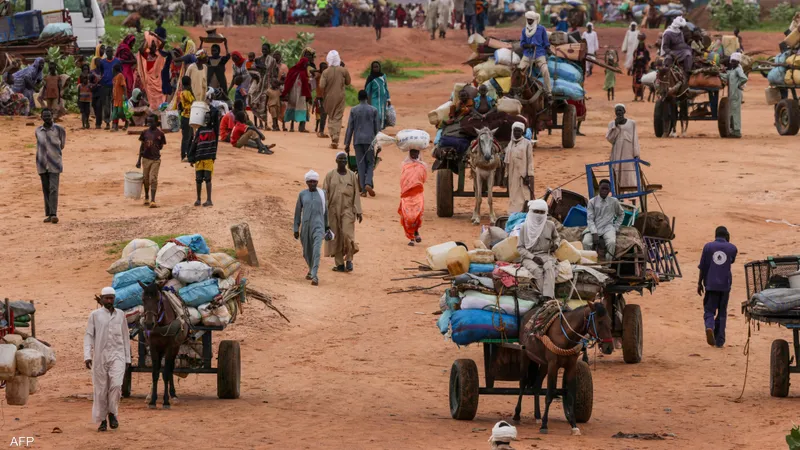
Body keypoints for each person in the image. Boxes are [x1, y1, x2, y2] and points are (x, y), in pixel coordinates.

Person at [84, 287, 131, 432]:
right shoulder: (95, 315)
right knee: (101, 389)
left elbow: (125, 337)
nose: (109, 301)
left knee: (116, 386)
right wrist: (87, 356)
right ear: (102, 299)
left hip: (118, 356)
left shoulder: (121, 315)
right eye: (107, 298)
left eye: (112, 298)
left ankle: (113, 413)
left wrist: (128, 358)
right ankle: (102, 420)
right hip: (100, 357)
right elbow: (89, 336)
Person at [698, 226, 737, 348]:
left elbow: (703, 267)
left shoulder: (708, 247)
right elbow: (731, 261)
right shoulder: (732, 248)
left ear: (715, 235)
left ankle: (709, 326)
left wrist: (699, 283)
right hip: (725, 285)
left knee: (709, 310)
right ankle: (720, 340)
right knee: (722, 313)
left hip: (710, 284)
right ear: (727, 236)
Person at [323, 152, 363, 272]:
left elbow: (356, 194)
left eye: (345, 160)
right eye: (340, 160)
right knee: (336, 237)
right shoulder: (330, 175)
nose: (343, 162)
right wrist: (323, 211)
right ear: (336, 161)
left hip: (348, 210)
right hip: (333, 210)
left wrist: (359, 211)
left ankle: (349, 258)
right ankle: (339, 264)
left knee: (347, 235)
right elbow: (325, 194)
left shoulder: (351, 176)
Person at [517, 199, 560, 300]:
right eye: (536, 212)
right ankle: (542, 297)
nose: (539, 215)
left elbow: (556, 237)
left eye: (542, 212)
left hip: (546, 255)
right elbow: (520, 248)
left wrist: (556, 245)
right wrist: (533, 257)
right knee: (537, 271)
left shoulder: (550, 225)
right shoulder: (525, 227)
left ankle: (548, 297)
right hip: (529, 257)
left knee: (549, 267)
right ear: (531, 212)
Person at [294, 170, 330, 286]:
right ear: (307, 182)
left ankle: (315, 275)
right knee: (306, 252)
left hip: (319, 226)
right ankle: (310, 270)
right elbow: (298, 212)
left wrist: (327, 226)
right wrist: (296, 228)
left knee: (316, 251)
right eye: (310, 182)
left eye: (314, 181)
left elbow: (326, 211)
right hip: (305, 227)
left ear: (317, 181)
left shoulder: (322, 193)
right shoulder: (302, 194)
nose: (313, 183)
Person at [345, 90, 380, 196]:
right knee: (370, 163)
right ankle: (368, 183)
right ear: (367, 98)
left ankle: (363, 191)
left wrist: (347, 143)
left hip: (358, 140)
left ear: (358, 98)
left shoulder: (354, 110)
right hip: (370, 140)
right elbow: (377, 129)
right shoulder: (373, 110)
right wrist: (378, 144)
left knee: (361, 165)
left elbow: (350, 128)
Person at [581, 179, 624, 261]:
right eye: (602, 188)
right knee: (586, 242)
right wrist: (594, 233)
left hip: (608, 228)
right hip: (594, 226)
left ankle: (607, 265)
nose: (604, 191)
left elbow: (621, 214)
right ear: (599, 188)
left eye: (606, 189)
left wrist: (616, 227)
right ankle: (590, 264)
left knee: (611, 243)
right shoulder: (592, 202)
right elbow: (590, 219)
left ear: (609, 190)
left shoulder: (614, 201)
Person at [35, 108, 65, 224]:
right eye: (45, 116)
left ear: (52, 115)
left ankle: (53, 214)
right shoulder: (38, 130)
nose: (47, 118)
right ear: (41, 117)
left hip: (55, 163)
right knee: (46, 189)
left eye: (49, 116)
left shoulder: (59, 129)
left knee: (53, 188)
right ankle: (48, 214)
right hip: (42, 163)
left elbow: (62, 144)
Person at [188, 106, 220, 207]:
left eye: (208, 117)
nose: (207, 119)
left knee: (208, 178)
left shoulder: (214, 129)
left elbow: (216, 113)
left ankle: (209, 200)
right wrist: (191, 157)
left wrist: (208, 106)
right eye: (205, 118)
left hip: (209, 157)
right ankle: (198, 199)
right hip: (199, 157)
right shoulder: (200, 129)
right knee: (198, 179)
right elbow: (194, 143)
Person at [606, 104, 640, 193]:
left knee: (629, 173)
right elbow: (610, 139)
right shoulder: (612, 124)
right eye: (617, 111)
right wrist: (615, 126)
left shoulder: (632, 123)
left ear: (624, 111)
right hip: (617, 152)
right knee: (617, 172)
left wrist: (636, 154)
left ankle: (632, 196)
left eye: (620, 110)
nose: (619, 112)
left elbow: (635, 139)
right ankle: (618, 195)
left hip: (628, 152)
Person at [518, 12, 551, 99]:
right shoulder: (524, 30)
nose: (529, 21)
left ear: (535, 20)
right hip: (527, 55)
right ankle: (518, 90)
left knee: (545, 71)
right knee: (519, 71)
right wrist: (529, 46)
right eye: (528, 19)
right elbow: (522, 44)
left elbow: (546, 43)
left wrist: (548, 50)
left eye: (531, 20)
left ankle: (548, 92)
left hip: (539, 54)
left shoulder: (542, 29)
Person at [504, 122, 534, 214]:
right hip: (512, 174)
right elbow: (507, 162)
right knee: (513, 194)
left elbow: (530, 160)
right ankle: (513, 213)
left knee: (524, 194)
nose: (517, 133)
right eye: (515, 131)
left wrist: (529, 175)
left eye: (519, 131)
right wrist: (506, 175)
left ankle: (523, 212)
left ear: (522, 132)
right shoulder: (510, 144)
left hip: (523, 174)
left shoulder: (527, 143)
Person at [136, 114, 166, 207]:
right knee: (145, 179)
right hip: (145, 158)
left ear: (156, 122)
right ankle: (146, 197)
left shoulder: (160, 134)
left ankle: (153, 200)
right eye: (148, 122)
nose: (149, 123)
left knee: (153, 178)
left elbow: (161, 146)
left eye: (151, 122)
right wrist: (138, 160)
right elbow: (141, 146)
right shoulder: (144, 132)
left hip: (155, 159)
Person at [399, 149, 427, 246]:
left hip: (417, 194)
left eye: (416, 153)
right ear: (409, 154)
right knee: (407, 217)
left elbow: (423, 179)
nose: (414, 155)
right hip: (407, 195)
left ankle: (416, 232)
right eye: (412, 153)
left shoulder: (422, 166)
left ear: (419, 153)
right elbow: (402, 180)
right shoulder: (405, 165)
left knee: (417, 215)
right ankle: (411, 238)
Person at [137, 32, 167, 113]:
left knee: (160, 97)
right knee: (152, 100)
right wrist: (146, 39)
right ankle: (154, 115)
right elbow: (140, 49)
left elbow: (164, 42)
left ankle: (160, 115)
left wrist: (155, 35)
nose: (154, 47)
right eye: (152, 45)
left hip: (158, 80)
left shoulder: (158, 53)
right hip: (149, 81)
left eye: (155, 45)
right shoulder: (147, 55)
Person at [660, 16, 692, 89]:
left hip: (681, 51)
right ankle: (666, 78)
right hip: (671, 51)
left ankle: (687, 74)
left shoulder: (679, 31)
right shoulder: (668, 33)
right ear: (676, 26)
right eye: (681, 27)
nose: (682, 29)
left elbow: (682, 42)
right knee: (668, 59)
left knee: (688, 54)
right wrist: (671, 53)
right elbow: (665, 47)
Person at [720, 52, 747, 139]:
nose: (732, 63)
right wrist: (718, 74)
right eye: (732, 61)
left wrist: (739, 85)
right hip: (732, 94)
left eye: (734, 61)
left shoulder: (738, 70)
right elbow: (725, 76)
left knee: (735, 112)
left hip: (736, 93)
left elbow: (744, 78)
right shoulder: (732, 71)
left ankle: (737, 131)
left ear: (738, 62)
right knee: (732, 112)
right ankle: (733, 130)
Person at [282, 57, 312, 133]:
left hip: (301, 94)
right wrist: (286, 93)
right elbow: (288, 82)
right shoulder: (294, 70)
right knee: (296, 108)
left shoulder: (301, 71)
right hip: (295, 93)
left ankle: (301, 127)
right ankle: (293, 127)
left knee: (300, 108)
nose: (306, 65)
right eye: (305, 64)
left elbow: (305, 84)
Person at [98, 48, 120, 129]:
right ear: (105, 53)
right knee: (106, 105)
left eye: (110, 51)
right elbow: (101, 72)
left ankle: (115, 123)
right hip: (105, 85)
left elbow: (120, 72)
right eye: (107, 51)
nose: (109, 52)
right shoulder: (102, 62)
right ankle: (107, 122)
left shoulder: (117, 61)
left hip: (115, 86)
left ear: (113, 52)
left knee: (115, 104)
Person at [365, 61, 390, 130]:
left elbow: (386, 87)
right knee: (376, 114)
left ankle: (380, 129)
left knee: (382, 115)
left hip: (383, 100)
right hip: (374, 100)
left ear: (379, 67)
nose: (376, 68)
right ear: (372, 68)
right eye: (374, 67)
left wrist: (388, 99)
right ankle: (375, 129)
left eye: (377, 67)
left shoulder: (383, 76)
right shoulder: (370, 78)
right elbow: (367, 90)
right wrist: (366, 100)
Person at [179, 76, 195, 161]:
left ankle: (186, 154)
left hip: (185, 116)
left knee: (188, 136)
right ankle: (185, 155)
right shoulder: (187, 93)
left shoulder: (182, 92)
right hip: (187, 116)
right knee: (187, 137)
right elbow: (193, 101)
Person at [632, 36, 650, 102]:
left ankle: (642, 97)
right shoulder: (636, 52)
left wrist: (643, 58)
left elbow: (648, 59)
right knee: (636, 84)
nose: (641, 46)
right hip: (637, 69)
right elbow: (634, 60)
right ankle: (635, 97)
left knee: (642, 83)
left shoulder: (646, 52)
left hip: (643, 69)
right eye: (640, 44)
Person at [111, 64, 129, 131]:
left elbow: (124, 86)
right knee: (114, 114)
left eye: (112, 69)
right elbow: (114, 88)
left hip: (121, 98)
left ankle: (126, 121)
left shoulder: (120, 76)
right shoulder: (114, 78)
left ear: (115, 69)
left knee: (120, 112)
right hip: (116, 98)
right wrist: (113, 96)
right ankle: (115, 126)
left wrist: (125, 95)